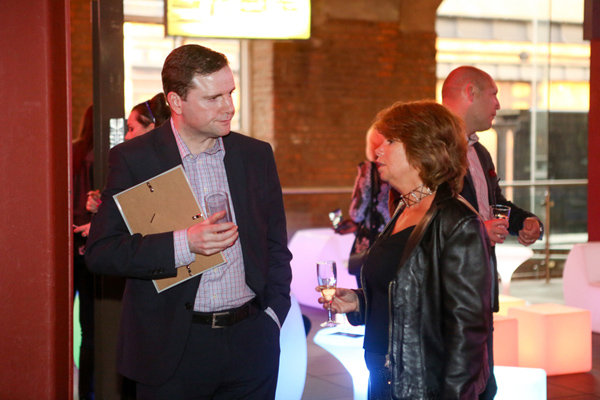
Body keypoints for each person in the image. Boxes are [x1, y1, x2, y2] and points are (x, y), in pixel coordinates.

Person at [85, 44, 292, 399]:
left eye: (230, 93)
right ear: (176, 102)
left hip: (251, 341)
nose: (229, 107)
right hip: (173, 347)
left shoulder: (255, 155)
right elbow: (102, 252)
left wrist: (272, 316)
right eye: (213, 98)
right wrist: (185, 244)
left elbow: (275, 245)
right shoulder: (135, 159)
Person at [322, 100, 493, 399]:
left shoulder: (457, 221)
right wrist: (359, 302)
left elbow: (467, 334)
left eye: (390, 141)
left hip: (422, 386)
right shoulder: (403, 208)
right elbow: (411, 298)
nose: (378, 150)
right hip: (386, 376)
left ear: (423, 148)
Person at [442, 65, 544, 399]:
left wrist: (525, 221)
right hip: (445, 292)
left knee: (484, 384)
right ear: (470, 93)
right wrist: (475, 230)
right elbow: (427, 216)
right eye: (494, 94)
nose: (499, 104)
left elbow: (494, 204)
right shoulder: (430, 147)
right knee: (458, 384)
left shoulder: (480, 151)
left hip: (480, 286)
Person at [334, 126, 391, 287]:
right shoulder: (401, 168)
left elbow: (357, 213)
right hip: (393, 244)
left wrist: (356, 220)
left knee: (366, 294)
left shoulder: (369, 169)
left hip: (370, 247)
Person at [71, 104, 95, 400]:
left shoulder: (72, 152)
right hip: (90, 243)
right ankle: (88, 391)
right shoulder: (105, 156)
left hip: (68, 243)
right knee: (89, 329)